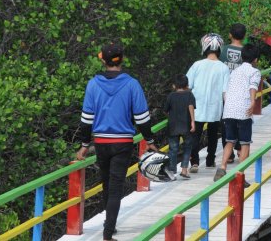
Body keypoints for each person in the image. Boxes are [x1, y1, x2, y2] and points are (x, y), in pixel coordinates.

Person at [76, 42, 159, 241]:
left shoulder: (93, 84)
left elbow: (86, 119)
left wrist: (85, 145)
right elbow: (142, 118)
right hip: (122, 142)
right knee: (115, 188)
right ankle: (107, 233)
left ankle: (109, 227)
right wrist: (149, 140)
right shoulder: (132, 84)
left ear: (103, 60)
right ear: (121, 60)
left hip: (101, 143)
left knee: (106, 185)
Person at [214, 43, 261, 182]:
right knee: (245, 142)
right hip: (243, 110)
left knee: (230, 140)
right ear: (256, 60)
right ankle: (240, 174)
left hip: (229, 110)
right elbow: (253, 86)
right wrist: (253, 102)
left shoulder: (234, 71)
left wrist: (228, 105)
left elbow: (226, 90)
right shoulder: (254, 72)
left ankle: (222, 168)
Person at [187, 33, 230, 172]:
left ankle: (194, 162)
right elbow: (225, 92)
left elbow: (187, 86)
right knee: (212, 136)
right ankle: (210, 161)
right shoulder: (223, 68)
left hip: (196, 108)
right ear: (219, 49)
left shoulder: (197, 65)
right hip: (215, 108)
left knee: (195, 136)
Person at [219, 23, 246, 163]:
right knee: (241, 122)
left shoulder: (222, 50)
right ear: (244, 36)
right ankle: (241, 149)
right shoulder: (246, 52)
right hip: (241, 93)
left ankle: (228, 154)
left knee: (226, 123)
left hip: (225, 92)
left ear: (230, 35)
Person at [164, 74, 196, 179]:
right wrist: (192, 121)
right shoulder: (189, 95)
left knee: (173, 149)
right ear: (187, 85)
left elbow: (165, 110)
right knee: (187, 148)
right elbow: (191, 106)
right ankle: (184, 170)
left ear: (174, 85)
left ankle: (172, 171)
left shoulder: (171, 96)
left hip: (173, 127)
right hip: (186, 126)